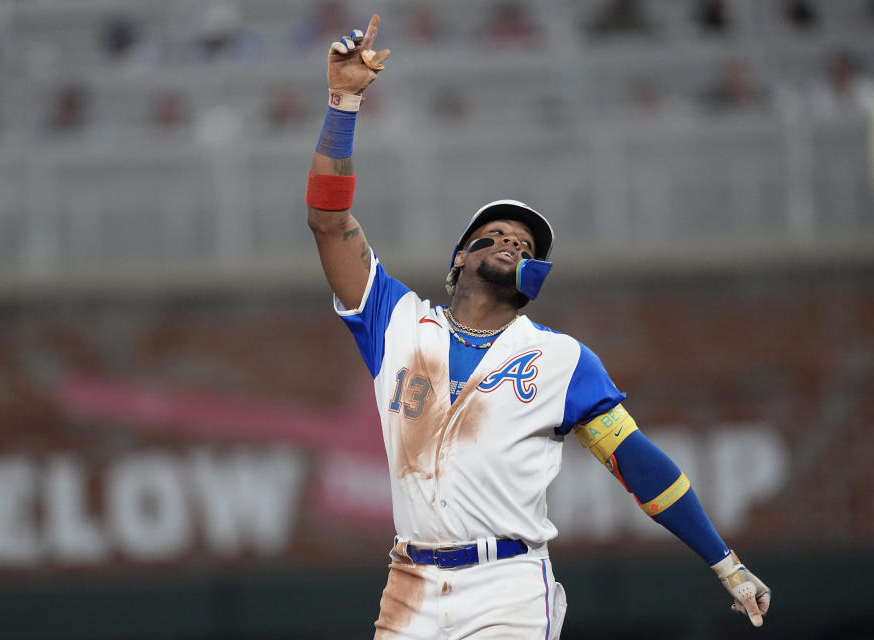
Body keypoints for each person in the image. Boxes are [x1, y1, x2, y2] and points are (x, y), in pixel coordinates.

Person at [305, 14, 771, 639]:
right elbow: (329, 222)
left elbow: (640, 464)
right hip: (410, 584)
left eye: (522, 242)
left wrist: (726, 562)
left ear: (535, 273)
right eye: (489, 235)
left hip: (509, 587)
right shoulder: (397, 319)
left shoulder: (562, 360)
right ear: (459, 260)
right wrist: (345, 102)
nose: (505, 240)